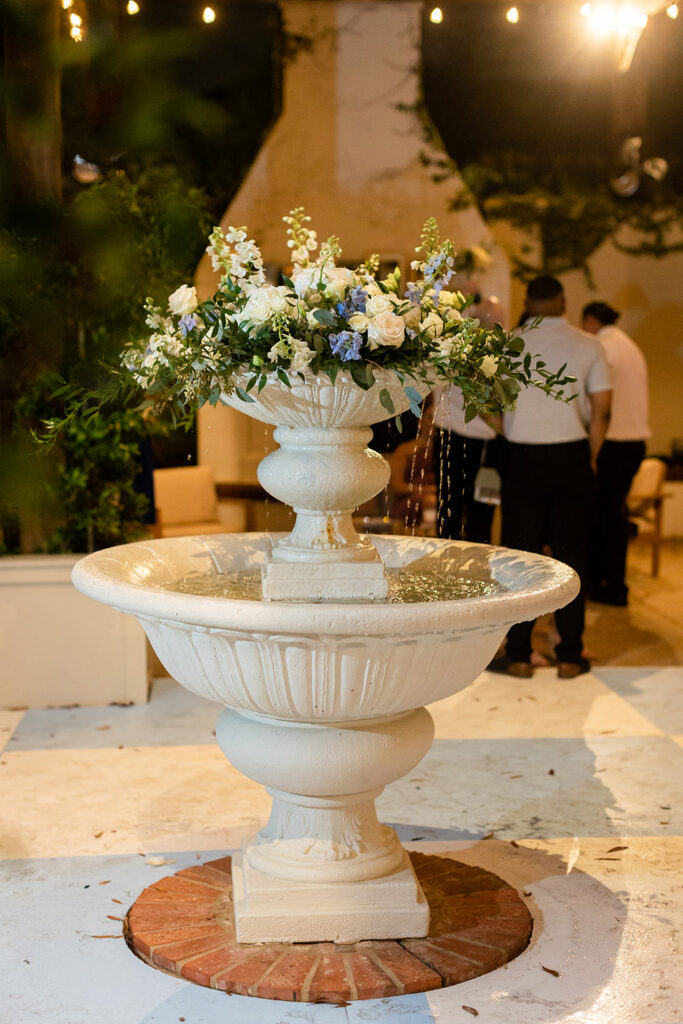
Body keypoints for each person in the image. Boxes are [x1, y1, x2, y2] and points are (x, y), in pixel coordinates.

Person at [492, 275, 612, 679]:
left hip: (523, 458)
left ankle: (521, 653)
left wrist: (512, 432)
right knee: (571, 555)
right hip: (571, 457)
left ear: (527, 301)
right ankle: (571, 655)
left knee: (521, 557)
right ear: (564, 300)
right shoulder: (590, 345)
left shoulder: (508, 344)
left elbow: (486, 406)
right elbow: (602, 412)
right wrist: (589, 458)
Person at [581, 301, 650, 605]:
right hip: (635, 442)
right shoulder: (629, 345)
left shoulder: (603, 347)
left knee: (602, 516)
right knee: (611, 513)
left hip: (614, 442)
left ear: (591, 321)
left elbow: (598, 404)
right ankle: (611, 582)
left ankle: (606, 584)